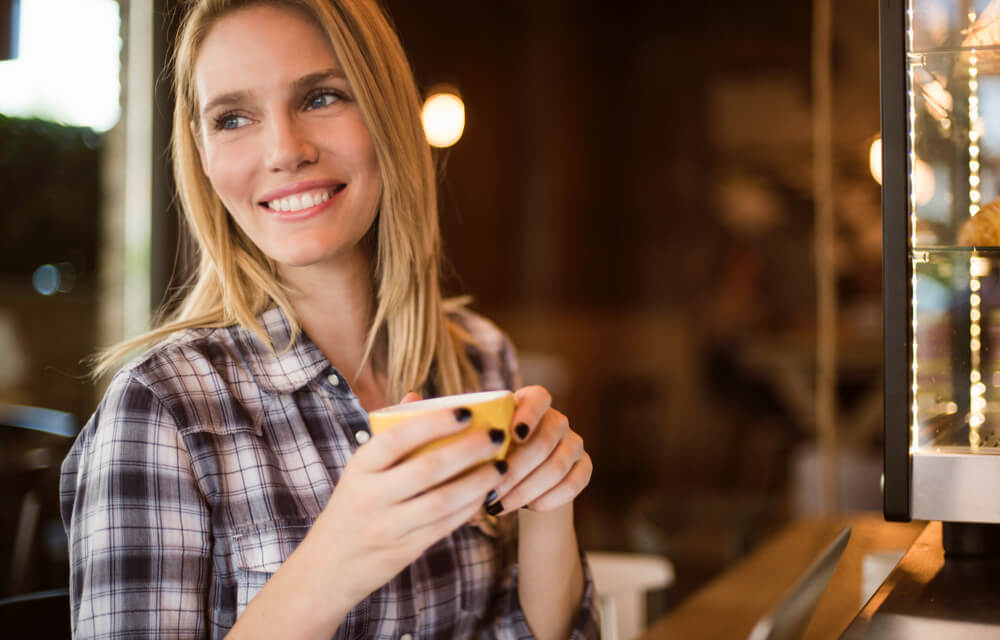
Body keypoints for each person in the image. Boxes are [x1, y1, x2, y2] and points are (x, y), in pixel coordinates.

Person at [59, 0, 598, 638]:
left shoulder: (479, 358)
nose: (285, 151)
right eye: (233, 118)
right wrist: (338, 559)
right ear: (202, 157)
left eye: (321, 98)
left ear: (387, 115)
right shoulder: (163, 406)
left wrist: (549, 504)